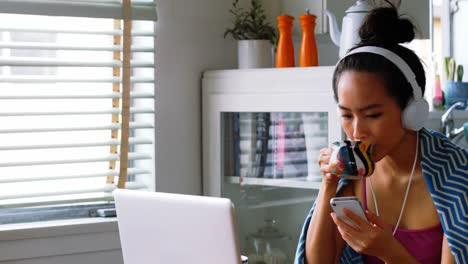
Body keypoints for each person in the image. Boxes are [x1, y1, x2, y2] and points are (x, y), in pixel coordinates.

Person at [294, 4, 467, 264]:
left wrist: (390, 252)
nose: (356, 132)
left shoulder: (456, 180)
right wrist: (328, 184)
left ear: (411, 110)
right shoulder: (351, 175)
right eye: (347, 115)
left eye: (372, 115)